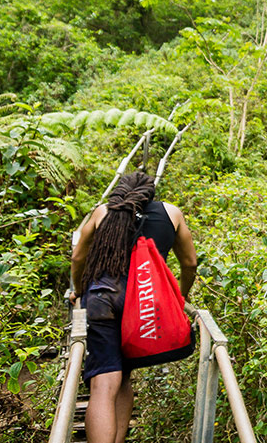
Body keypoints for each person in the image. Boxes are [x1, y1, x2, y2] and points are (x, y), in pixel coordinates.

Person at [70, 172, 198, 443]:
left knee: (104, 383)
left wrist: (79, 290)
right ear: (150, 194)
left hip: (102, 299)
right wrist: (180, 298)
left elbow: (78, 256)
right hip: (143, 304)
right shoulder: (171, 213)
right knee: (125, 376)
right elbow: (189, 263)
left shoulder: (103, 212)